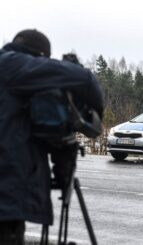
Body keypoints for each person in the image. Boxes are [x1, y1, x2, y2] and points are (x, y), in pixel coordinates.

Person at [0, 29, 104, 244]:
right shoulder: (13, 64)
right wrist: (94, 117)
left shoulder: (13, 82)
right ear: (39, 56)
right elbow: (84, 78)